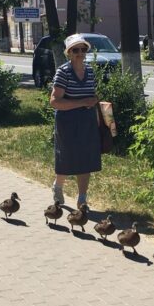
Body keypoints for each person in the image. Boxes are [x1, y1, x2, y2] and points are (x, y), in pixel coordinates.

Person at [49, 34, 101, 206]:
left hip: (87, 120)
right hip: (67, 120)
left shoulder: (90, 71)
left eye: (83, 49)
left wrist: (93, 102)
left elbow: (89, 95)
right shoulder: (63, 72)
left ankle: (82, 198)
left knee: (85, 159)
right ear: (69, 53)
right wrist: (82, 102)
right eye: (75, 50)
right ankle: (58, 186)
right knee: (67, 157)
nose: (80, 53)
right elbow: (55, 101)